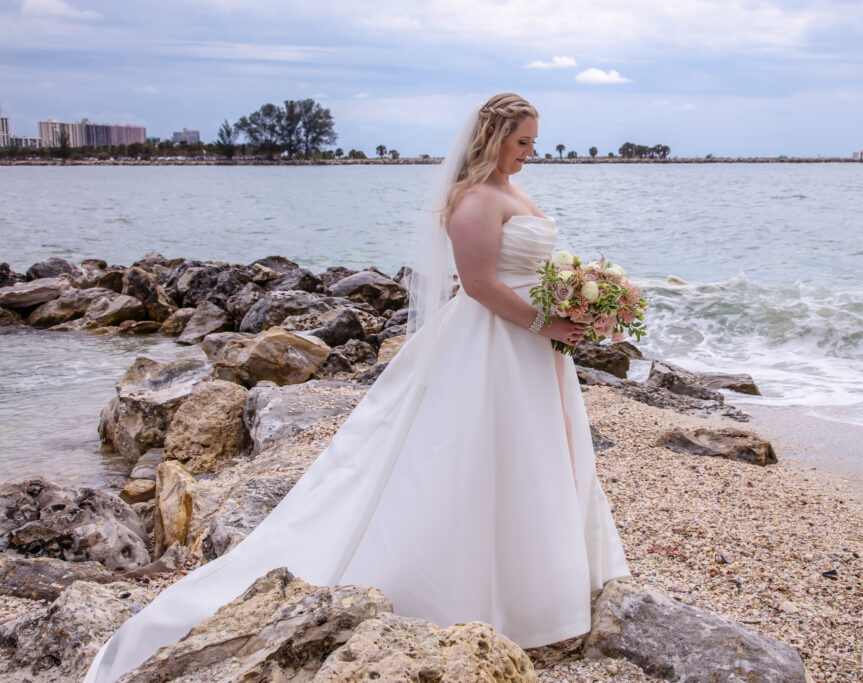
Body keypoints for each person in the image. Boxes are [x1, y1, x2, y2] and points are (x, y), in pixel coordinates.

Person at [84, 92, 631, 682]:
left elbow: (527, 269)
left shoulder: (511, 189)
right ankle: (475, 596)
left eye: (533, 142)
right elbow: (477, 284)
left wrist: (578, 296)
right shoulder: (473, 198)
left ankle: (547, 592)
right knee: (478, 455)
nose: (530, 152)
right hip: (494, 341)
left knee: (538, 454)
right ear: (494, 135)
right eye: (522, 141)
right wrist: (544, 320)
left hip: (529, 343)